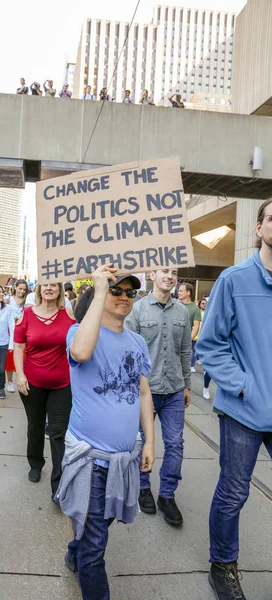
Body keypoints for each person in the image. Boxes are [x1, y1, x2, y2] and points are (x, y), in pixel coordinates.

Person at [58, 266, 154, 600]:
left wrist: (149, 443)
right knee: (96, 544)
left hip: (125, 457)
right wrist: (99, 291)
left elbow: (143, 393)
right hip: (89, 457)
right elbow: (81, 353)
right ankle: (85, 558)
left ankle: (76, 550)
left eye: (131, 292)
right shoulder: (78, 332)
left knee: (100, 524)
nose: (125, 297)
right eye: (117, 290)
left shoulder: (138, 341)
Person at [197, 198, 272, 600]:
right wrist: (244, 384)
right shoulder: (234, 279)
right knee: (233, 492)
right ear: (258, 228)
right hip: (243, 409)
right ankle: (222, 565)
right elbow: (210, 345)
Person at [126, 268, 191, 526]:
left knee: (175, 444)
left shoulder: (182, 312)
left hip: (174, 388)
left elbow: (185, 350)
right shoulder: (138, 309)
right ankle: (143, 488)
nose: (170, 276)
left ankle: (167, 495)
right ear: (152, 274)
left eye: (174, 272)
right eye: (165, 271)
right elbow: (128, 351)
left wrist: (186, 384)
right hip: (146, 390)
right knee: (141, 440)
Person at [14, 282, 75, 496]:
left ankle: (58, 484)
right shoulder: (27, 314)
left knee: (59, 432)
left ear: (59, 290)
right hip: (32, 383)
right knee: (36, 425)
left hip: (62, 384)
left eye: (53, 285)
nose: (49, 288)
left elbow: (77, 343)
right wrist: (19, 376)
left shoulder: (68, 315)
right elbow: (19, 347)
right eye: (44, 285)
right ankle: (36, 463)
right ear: (39, 290)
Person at [6, 279, 28, 393]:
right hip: (10, 331)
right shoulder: (8, 300)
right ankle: (9, 382)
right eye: (20, 288)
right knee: (9, 358)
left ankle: (22, 378)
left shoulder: (27, 301)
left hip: (23, 332)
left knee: (23, 358)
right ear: (15, 287)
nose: (22, 291)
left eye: (24, 289)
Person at [178, 283, 201, 373]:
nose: (178, 292)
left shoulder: (195, 309)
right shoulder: (174, 305)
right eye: (178, 290)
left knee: (184, 369)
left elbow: (196, 326)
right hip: (171, 342)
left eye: (180, 291)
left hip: (185, 344)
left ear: (188, 293)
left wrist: (188, 340)